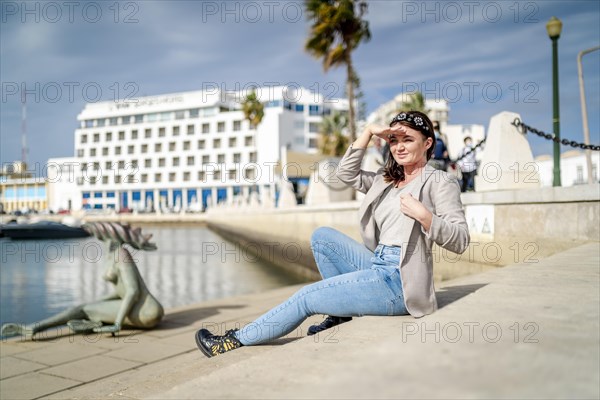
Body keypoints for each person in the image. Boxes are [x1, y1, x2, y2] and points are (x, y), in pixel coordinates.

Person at [194, 110, 470, 358]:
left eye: (407, 140)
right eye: (394, 140)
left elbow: (460, 239)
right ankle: (339, 315)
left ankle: (232, 341)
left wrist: (425, 216)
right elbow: (344, 175)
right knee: (322, 237)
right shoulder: (387, 179)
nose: (399, 147)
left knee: (307, 297)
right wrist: (367, 133)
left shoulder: (439, 182)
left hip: (400, 282)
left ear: (428, 143)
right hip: (378, 264)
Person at [1, 222, 164, 338]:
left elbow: (132, 291)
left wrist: (117, 324)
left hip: (146, 311)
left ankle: (34, 328)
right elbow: (121, 292)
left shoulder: (121, 254)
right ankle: (92, 323)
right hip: (142, 309)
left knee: (84, 310)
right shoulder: (113, 255)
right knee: (85, 308)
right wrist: (97, 302)